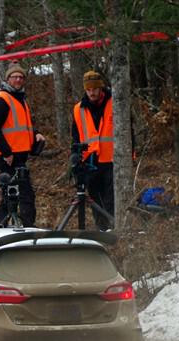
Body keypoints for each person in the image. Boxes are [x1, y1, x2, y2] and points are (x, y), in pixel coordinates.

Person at [0, 61, 46, 227]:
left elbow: (23, 127)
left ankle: (0, 227)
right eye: (15, 77)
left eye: (21, 77)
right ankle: (27, 228)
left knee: (11, 196)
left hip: (18, 157)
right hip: (8, 158)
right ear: (8, 79)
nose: (19, 80)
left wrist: (36, 134)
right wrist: (7, 153)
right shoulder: (2, 100)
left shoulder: (20, 99)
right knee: (24, 195)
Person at [71, 70, 115, 231]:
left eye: (94, 89)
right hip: (90, 161)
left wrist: (130, 156)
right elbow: (75, 136)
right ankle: (101, 229)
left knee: (111, 199)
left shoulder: (114, 102)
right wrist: (75, 157)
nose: (92, 92)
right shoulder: (78, 109)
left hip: (111, 159)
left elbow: (127, 132)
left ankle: (113, 228)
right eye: (88, 89)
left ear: (101, 88)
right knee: (95, 199)